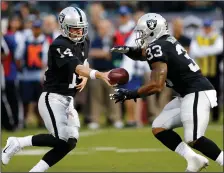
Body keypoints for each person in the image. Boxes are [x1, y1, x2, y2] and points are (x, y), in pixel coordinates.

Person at [2, 6, 111, 172]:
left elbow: (84, 63)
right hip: (52, 97)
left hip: (68, 99)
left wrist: (85, 78)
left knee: (70, 142)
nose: (79, 33)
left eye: (82, 29)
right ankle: (17, 142)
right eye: (75, 29)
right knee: (60, 138)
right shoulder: (59, 45)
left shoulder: (85, 40)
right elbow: (78, 68)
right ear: (64, 27)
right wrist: (99, 74)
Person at [110, 13, 223, 171]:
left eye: (143, 32)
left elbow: (157, 85)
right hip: (187, 94)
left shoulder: (158, 46)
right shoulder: (164, 43)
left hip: (197, 92)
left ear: (153, 31)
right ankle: (193, 159)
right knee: (159, 127)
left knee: (194, 138)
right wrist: (129, 50)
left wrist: (130, 94)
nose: (141, 35)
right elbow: (145, 54)